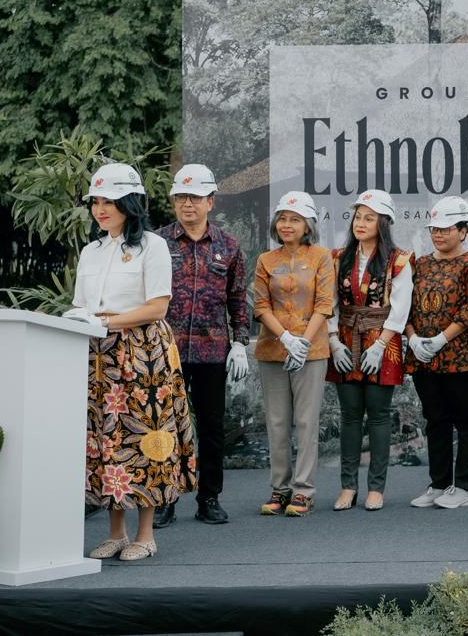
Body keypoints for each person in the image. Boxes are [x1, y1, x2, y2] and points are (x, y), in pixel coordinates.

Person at [64, 162, 196, 562]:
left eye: (109, 201)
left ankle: (146, 533)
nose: (100, 209)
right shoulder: (91, 250)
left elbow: (157, 306)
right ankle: (116, 532)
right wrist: (82, 320)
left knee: (144, 438)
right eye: (96, 202)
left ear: (130, 203)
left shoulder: (152, 246)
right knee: (107, 440)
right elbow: (79, 304)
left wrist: (105, 322)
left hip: (142, 355)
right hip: (98, 357)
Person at [152, 164, 250, 528]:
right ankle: (164, 499)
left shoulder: (229, 246)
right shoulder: (157, 242)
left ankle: (209, 497)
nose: (187, 204)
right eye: (180, 197)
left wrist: (240, 342)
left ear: (210, 201)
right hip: (166, 351)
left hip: (212, 352)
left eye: (194, 197)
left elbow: (238, 299)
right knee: (165, 426)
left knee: (210, 427)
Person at [406, 196, 468, 510]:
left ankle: (463, 487)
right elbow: (403, 304)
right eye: (434, 229)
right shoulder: (419, 263)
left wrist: (442, 339)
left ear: (463, 230)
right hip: (424, 358)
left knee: (466, 419)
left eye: (445, 228)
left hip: (464, 358)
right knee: (435, 420)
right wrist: (414, 339)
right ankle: (439, 483)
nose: (438, 234)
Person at [326, 190, 413, 512]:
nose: (360, 223)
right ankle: (348, 485)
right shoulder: (338, 257)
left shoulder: (399, 260)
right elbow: (330, 304)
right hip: (346, 336)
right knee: (349, 416)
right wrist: (333, 340)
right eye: (357, 217)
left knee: (378, 417)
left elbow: (401, 308)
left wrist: (380, 345)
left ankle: (376, 487)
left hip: (383, 339)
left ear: (383, 223)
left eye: (369, 218)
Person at [251, 191, 335, 517]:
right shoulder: (265, 260)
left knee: (305, 421)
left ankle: (303, 490)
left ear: (307, 225)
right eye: (283, 218)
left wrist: (302, 341)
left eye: (295, 219)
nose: (287, 225)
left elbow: (324, 304)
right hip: (272, 348)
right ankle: (279, 488)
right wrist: (286, 337)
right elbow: (260, 305)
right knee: (276, 422)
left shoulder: (321, 257)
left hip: (311, 351)